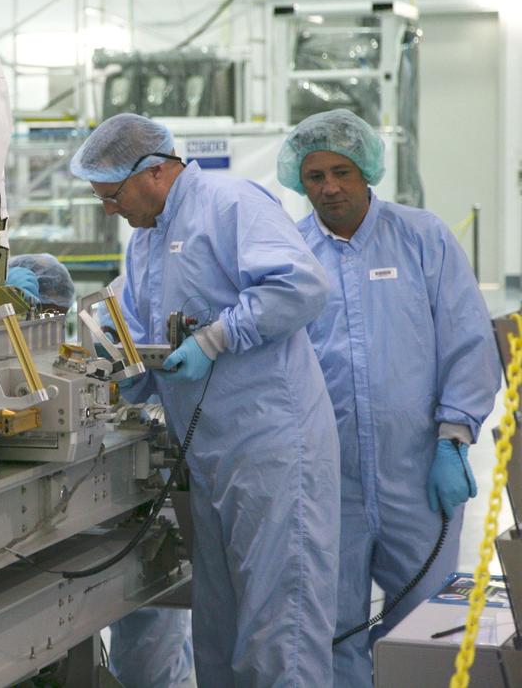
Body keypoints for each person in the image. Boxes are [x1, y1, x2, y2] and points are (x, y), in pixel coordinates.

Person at [70, 112, 340, 687]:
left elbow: (301, 286)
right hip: (210, 456)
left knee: (279, 623)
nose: (109, 210)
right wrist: (120, 371)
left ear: (155, 172)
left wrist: (217, 337)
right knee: (220, 625)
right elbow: (147, 342)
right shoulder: (145, 244)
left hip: (270, 444)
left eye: (112, 195)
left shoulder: (229, 203)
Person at [276, 109, 500, 688]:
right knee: (334, 626)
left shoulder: (421, 237)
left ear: (367, 171)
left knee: (423, 625)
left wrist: (455, 437)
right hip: (331, 478)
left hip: (419, 471)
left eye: (342, 172)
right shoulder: (291, 255)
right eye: (315, 175)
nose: (329, 187)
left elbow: (468, 339)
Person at [11, 255, 196, 687]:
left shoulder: (81, 358)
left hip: (110, 516)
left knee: (149, 651)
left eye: (57, 314)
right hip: (57, 533)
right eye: (39, 314)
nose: (49, 324)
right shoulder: (3, 361)